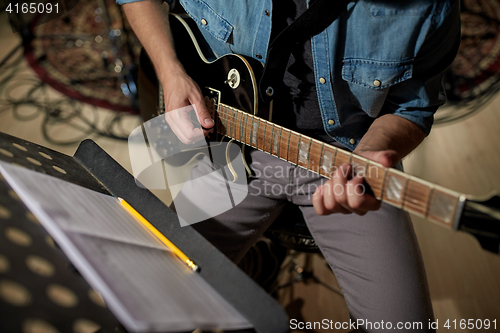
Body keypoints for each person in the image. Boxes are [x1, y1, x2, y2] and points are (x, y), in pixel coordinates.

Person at [119, 0, 461, 331]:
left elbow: (412, 107)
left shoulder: (429, 5)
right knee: (147, 302)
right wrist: (170, 70)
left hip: (342, 155)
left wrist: (372, 153)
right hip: (226, 146)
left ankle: (253, 265)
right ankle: (255, 267)